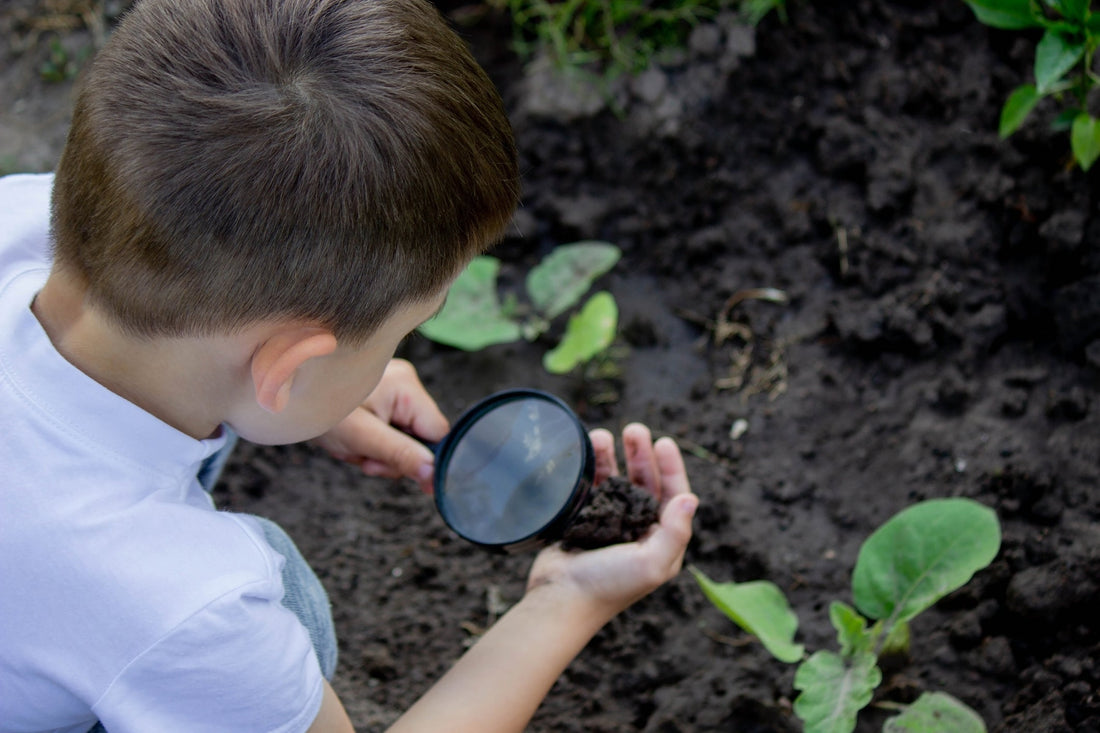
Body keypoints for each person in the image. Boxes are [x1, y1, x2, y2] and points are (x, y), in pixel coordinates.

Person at [0, 0, 698, 730]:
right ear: (285, 370)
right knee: (285, 591)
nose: (392, 362)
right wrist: (568, 598)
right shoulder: (187, 609)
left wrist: (312, 399)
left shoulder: (20, 214)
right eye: (400, 337)